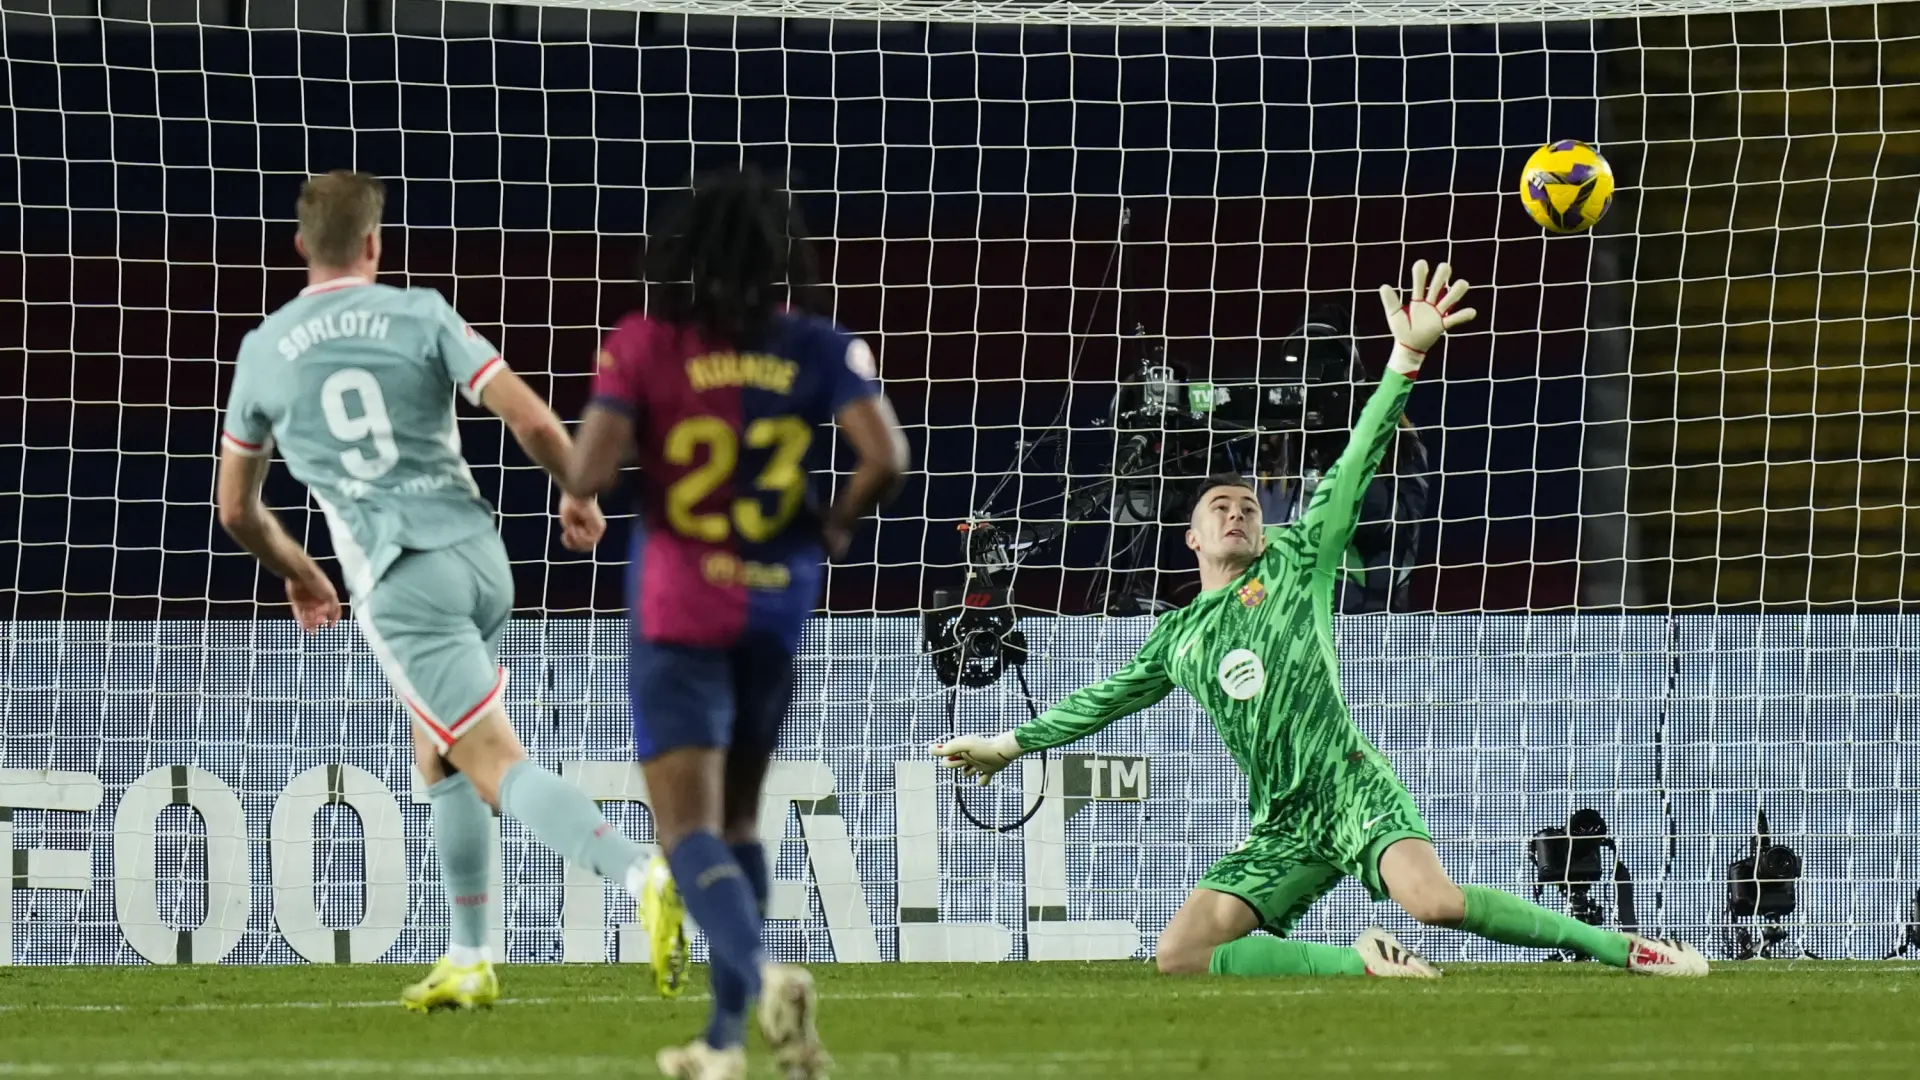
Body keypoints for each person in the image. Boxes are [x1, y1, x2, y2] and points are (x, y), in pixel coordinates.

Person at [933, 261, 1709, 981]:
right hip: (1283, 820)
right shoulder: (1177, 637)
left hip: (1349, 785)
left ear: (1264, 528)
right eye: (1217, 508)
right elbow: (1101, 700)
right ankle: (1360, 964)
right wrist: (1006, 745)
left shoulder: (1297, 559)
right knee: (1179, 954)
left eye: (1246, 506)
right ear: (1193, 537)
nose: (1236, 512)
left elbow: (1364, 450)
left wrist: (1406, 359)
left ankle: (1625, 947)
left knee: (1434, 903)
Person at [215, 170, 655, 1012]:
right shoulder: (422, 311)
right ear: (375, 244)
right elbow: (527, 418)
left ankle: (642, 874)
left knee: (492, 761)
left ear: (303, 246)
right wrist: (579, 489)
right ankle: (470, 955)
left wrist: (304, 576)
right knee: (439, 749)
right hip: (481, 559)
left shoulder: (265, 348)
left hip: (399, 576)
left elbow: (236, 507)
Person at [564, 167, 909, 1080]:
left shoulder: (645, 343)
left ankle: (759, 982)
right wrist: (831, 526)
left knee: (687, 833)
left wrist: (594, 464)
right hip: (777, 602)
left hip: (681, 604)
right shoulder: (818, 344)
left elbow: (591, 468)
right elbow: (887, 456)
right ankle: (723, 1046)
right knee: (743, 823)